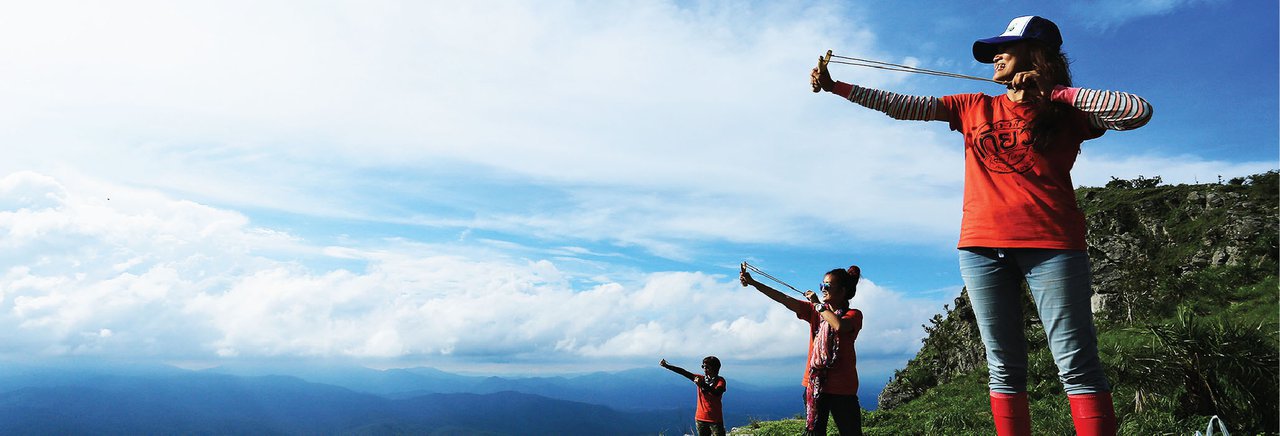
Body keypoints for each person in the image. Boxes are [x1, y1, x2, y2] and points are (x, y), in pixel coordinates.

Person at [809, 15, 1152, 436]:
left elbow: (1138, 110)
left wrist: (1055, 92)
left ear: (1037, 55)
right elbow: (901, 105)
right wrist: (836, 87)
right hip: (980, 246)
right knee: (1003, 366)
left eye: (1005, 49)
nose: (995, 57)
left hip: (1053, 244)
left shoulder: (1067, 112)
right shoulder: (974, 105)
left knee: (1076, 363)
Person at [740, 265, 864, 435]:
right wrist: (754, 283)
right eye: (822, 285)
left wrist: (818, 305)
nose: (823, 289)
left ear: (842, 291)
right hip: (815, 385)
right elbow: (783, 298)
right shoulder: (815, 311)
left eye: (828, 286)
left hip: (842, 387)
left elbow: (839, 325)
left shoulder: (853, 315)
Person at [660, 356, 727, 436]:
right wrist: (667, 366)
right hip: (700, 418)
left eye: (707, 367)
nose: (704, 369)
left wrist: (702, 384)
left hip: (715, 419)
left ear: (714, 368)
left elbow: (717, 392)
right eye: (703, 366)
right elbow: (684, 372)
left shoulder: (720, 381)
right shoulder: (701, 378)